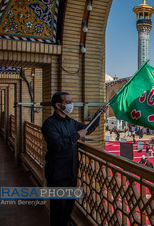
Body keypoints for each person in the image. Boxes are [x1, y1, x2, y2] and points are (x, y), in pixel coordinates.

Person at [41, 92, 107, 226]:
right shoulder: (49, 124)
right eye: (68, 102)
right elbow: (57, 145)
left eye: (71, 101)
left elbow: (87, 129)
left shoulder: (70, 122)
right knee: (58, 209)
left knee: (68, 207)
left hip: (71, 172)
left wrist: (98, 114)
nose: (72, 105)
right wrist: (76, 135)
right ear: (58, 105)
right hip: (57, 174)